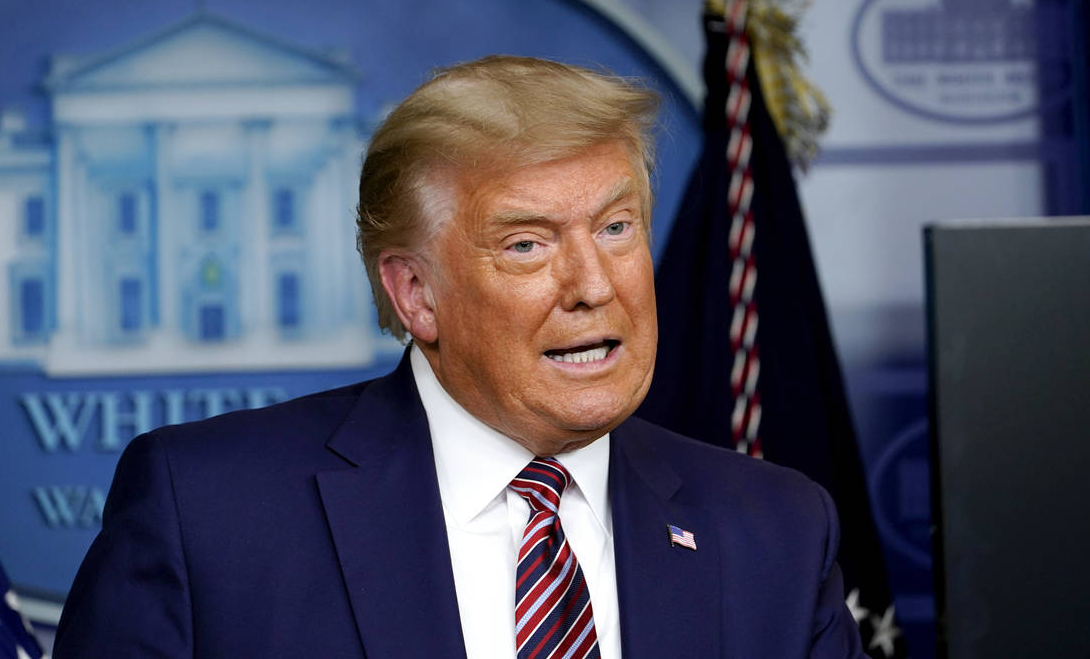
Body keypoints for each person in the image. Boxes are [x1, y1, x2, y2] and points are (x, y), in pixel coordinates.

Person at [54, 56, 866, 658]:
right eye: (525, 243)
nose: (594, 285)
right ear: (416, 296)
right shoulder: (209, 517)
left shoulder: (776, 533)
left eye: (617, 228)